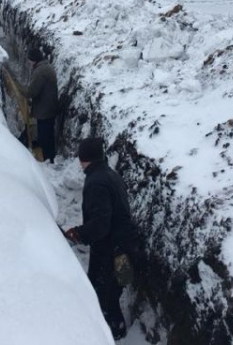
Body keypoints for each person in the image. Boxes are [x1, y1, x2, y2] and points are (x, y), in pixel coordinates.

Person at [65, 138, 142, 340]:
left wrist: (79, 233)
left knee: (103, 295)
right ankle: (114, 330)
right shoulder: (108, 174)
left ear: (85, 158)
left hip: (111, 248)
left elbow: (101, 224)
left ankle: (111, 333)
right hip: (122, 243)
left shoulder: (96, 183)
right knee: (109, 292)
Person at [21, 47, 58, 163]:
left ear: (34, 60)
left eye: (29, 60)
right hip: (50, 107)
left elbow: (32, 91)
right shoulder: (46, 67)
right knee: (48, 134)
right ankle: (51, 156)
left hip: (44, 110)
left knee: (45, 135)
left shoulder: (40, 72)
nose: (28, 63)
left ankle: (48, 159)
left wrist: (22, 92)